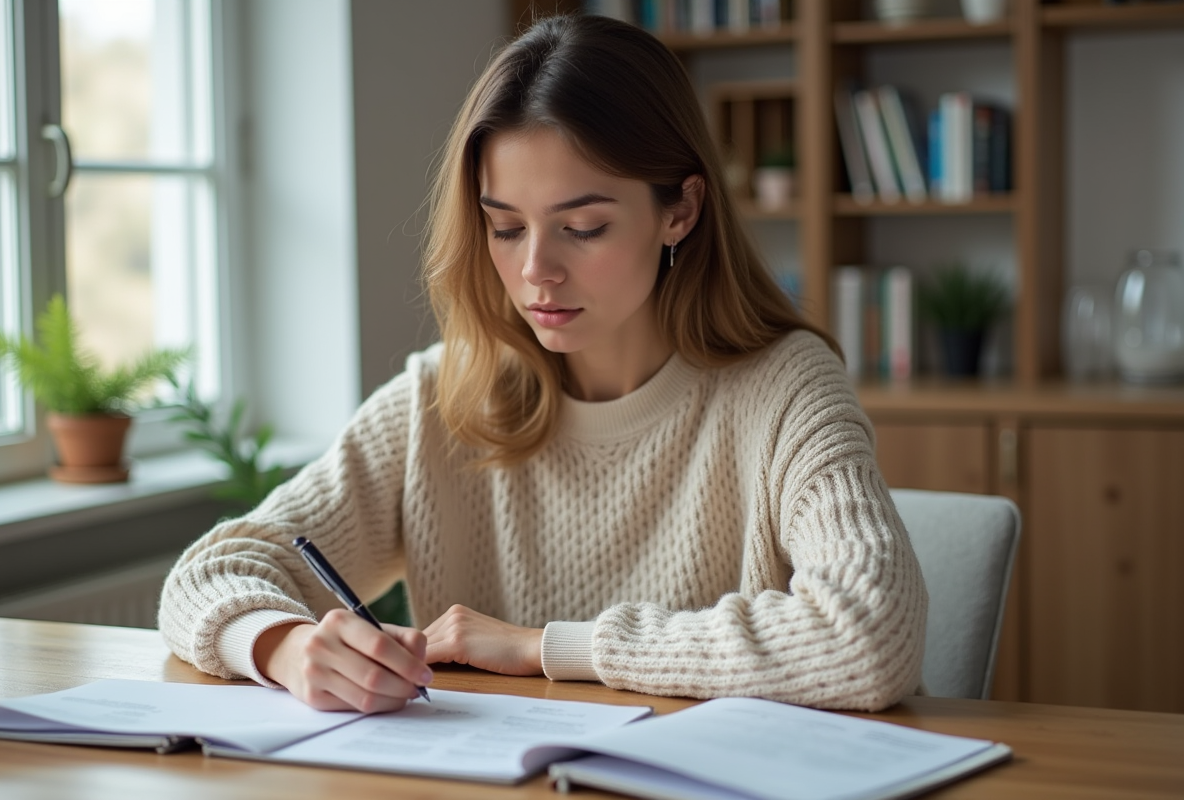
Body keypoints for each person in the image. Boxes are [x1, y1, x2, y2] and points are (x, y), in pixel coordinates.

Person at [159, 14, 927, 716]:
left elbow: (871, 635)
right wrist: (286, 649)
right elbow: (207, 575)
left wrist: (545, 648)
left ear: (680, 211)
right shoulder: (443, 396)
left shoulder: (785, 389)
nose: (536, 271)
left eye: (583, 227)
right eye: (504, 228)